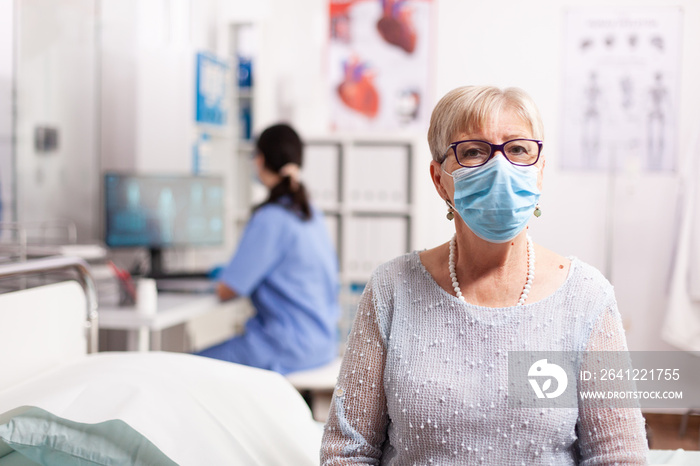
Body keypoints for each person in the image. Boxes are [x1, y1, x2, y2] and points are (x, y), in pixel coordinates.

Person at [320, 86, 648, 464]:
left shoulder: (586, 299)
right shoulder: (391, 290)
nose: (500, 168)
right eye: (473, 152)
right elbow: (347, 452)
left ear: (539, 172)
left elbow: (620, 457)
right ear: (439, 178)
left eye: (518, 149)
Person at [197, 123, 340, 375]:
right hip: (323, 343)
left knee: (183, 367)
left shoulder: (271, 217)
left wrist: (220, 276)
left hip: (287, 346)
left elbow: (228, 289)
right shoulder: (310, 213)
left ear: (260, 159)